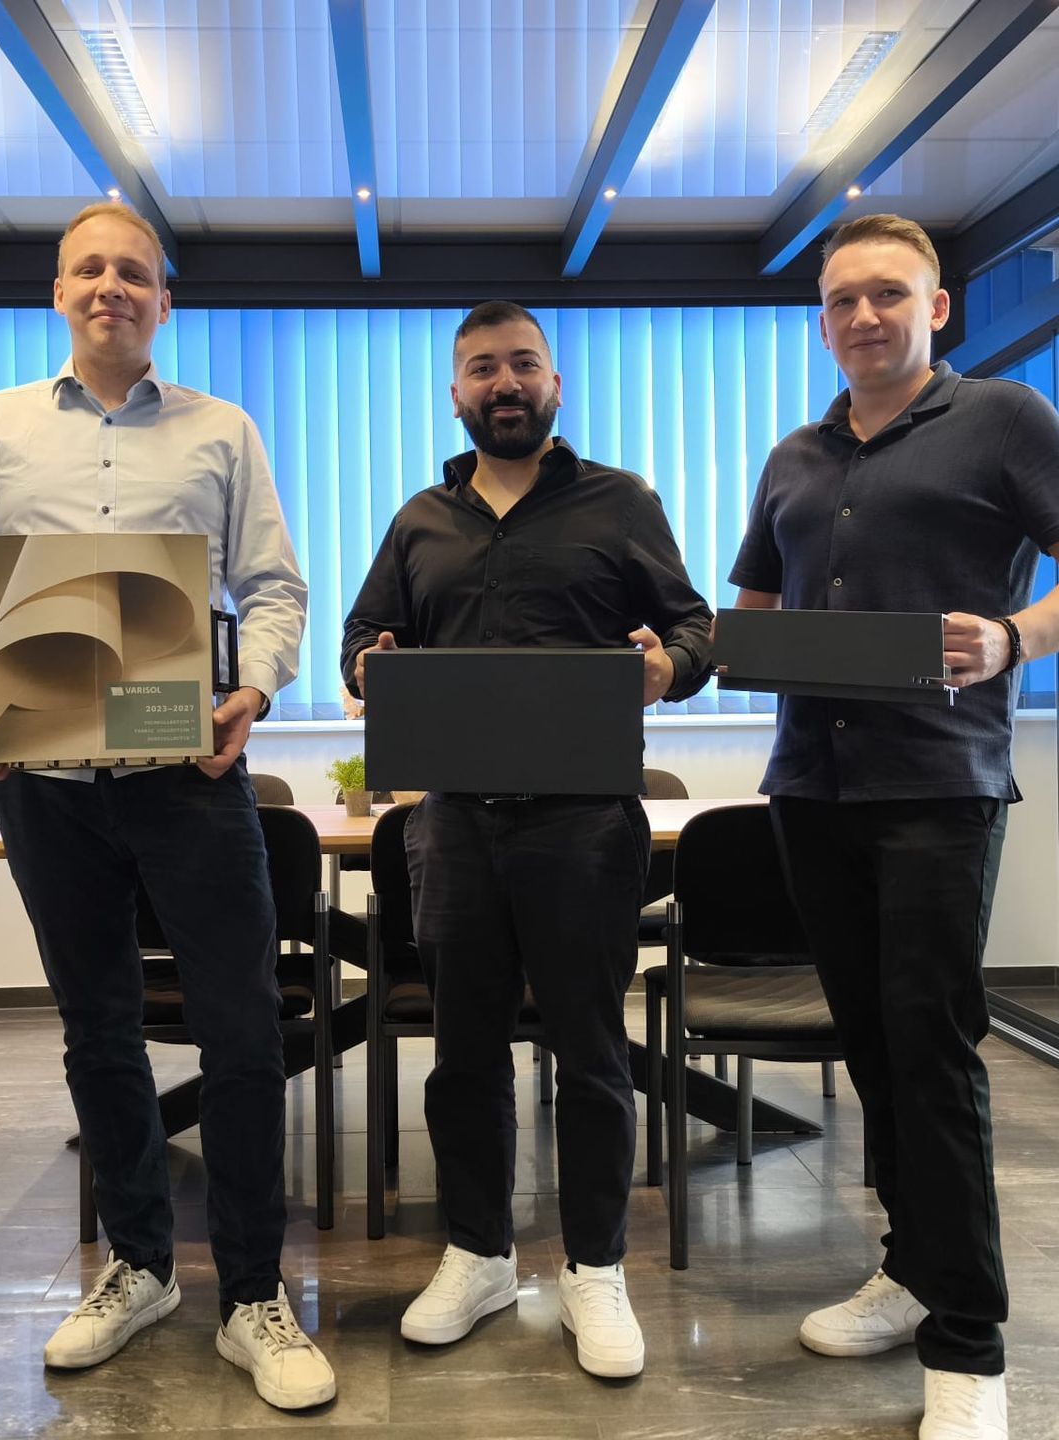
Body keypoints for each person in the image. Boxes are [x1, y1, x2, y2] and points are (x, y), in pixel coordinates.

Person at [0, 201, 334, 1411]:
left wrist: (250, 686)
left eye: (134, 274)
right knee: (99, 1029)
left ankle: (254, 1294)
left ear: (163, 301)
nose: (111, 288)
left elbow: (277, 586)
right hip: (49, 785)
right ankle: (138, 1268)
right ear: (58, 291)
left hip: (188, 782)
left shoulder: (221, 431)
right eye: (89, 269)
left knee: (246, 1032)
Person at [729, 215, 1059, 1440]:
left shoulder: (1005, 420)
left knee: (935, 1050)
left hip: (939, 788)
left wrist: (1014, 637)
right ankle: (911, 1270)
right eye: (842, 300)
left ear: (936, 308)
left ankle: (970, 1345)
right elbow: (753, 610)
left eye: (887, 296)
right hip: (810, 785)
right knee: (869, 1041)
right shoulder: (794, 455)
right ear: (822, 319)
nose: (864, 317)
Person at [341, 301, 713, 1379]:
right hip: (453, 826)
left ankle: (596, 1270)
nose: (504, 383)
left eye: (523, 365)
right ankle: (479, 1254)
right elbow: (365, 639)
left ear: (555, 385)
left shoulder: (621, 501)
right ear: (456, 392)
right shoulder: (419, 519)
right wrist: (366, 666)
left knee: (594, 1055)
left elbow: (695, 628)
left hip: (586, 823)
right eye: (482, 369)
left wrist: (666, 667)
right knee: (464, 1059)